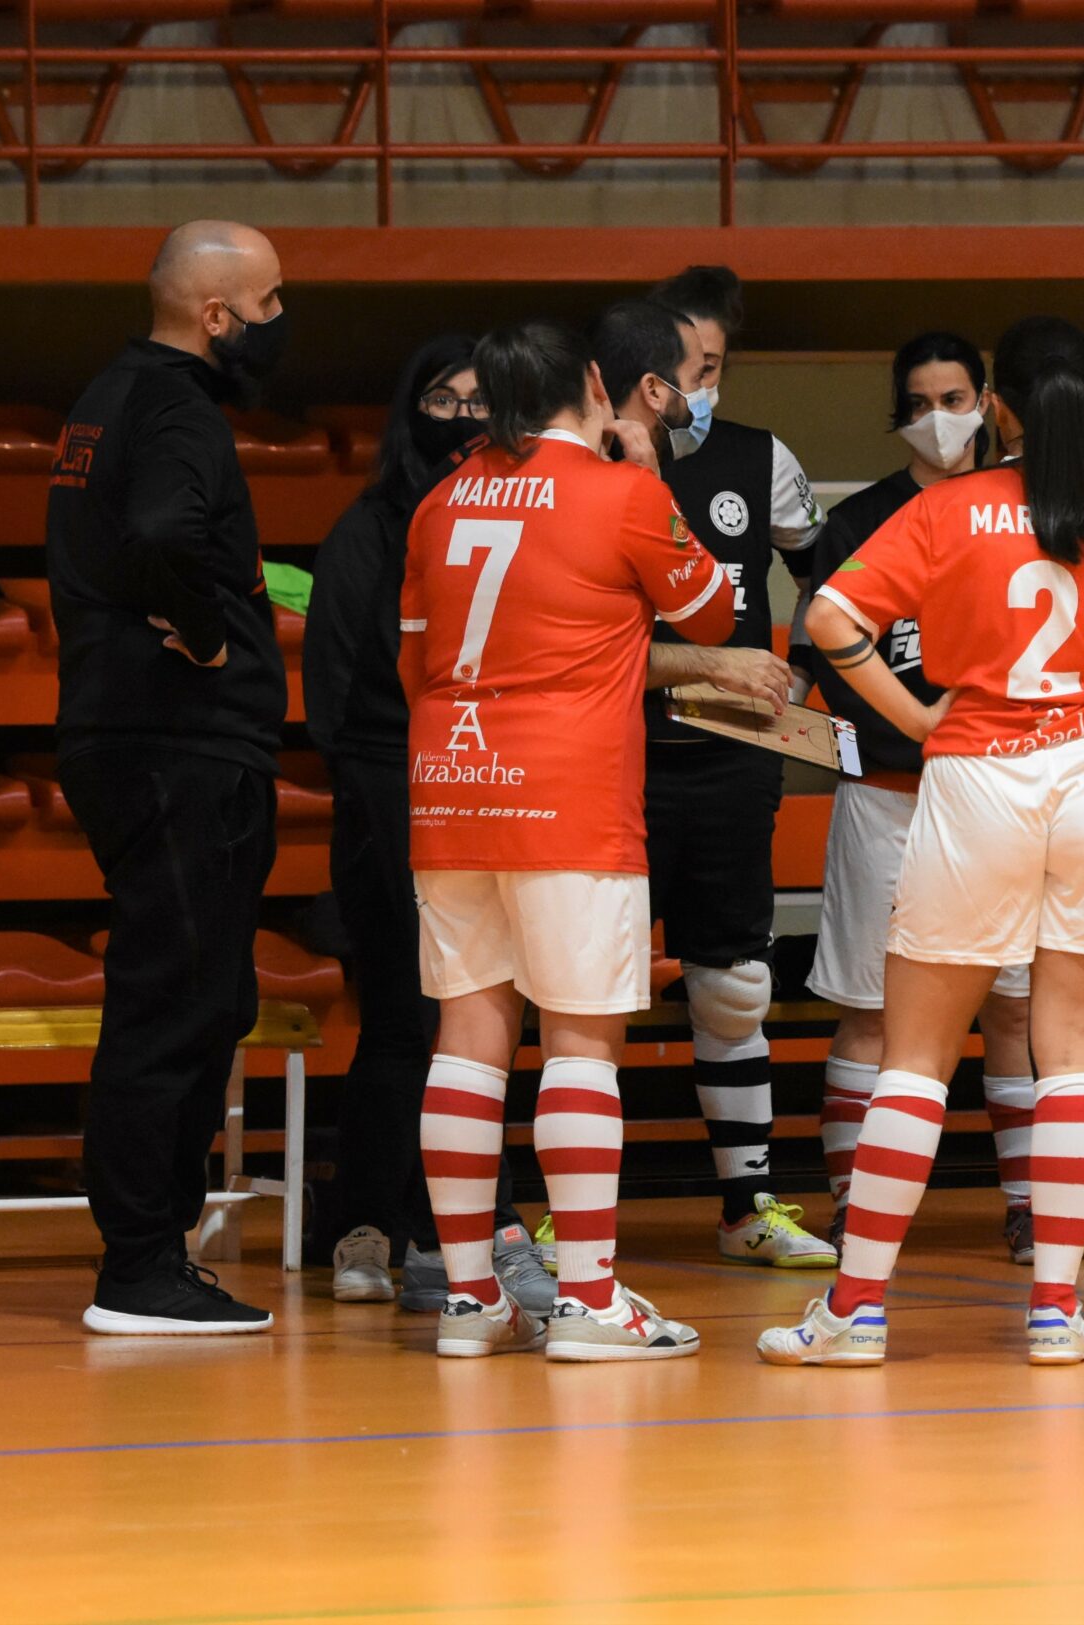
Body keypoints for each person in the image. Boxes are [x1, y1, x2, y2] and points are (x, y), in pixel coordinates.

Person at [760, 317, 1084, 1367]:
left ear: (996, 406)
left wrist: (910, 718)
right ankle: (1055, 1309)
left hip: (979, 773)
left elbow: (827, 618)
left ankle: (855, 1311)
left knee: (913, 1056)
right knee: (1073, 1056)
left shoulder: (947, 507)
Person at [404, 320, 735, 1360]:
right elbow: (717, 616)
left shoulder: (437, 500)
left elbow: (413, 665)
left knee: (468, 1036)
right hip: (571, 796)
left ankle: (470, 1299)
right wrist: (648, 472)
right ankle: (589, 1302)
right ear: (593, 385)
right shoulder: (620, 490)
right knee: (581, 1037)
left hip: (452, 788)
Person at [49, 220, 292, 1335]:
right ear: (217, 315)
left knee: (205, 993)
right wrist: (204, 632)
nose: (280, 323)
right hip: (177, 744)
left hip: (127, 736)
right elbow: (159, 531)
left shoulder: (109, 393)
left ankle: (152, 1251)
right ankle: (139, 1265)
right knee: (176, 996)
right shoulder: (181, 408)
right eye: (271, 303)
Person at [304, 335, 557, 1318]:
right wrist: (406, 813)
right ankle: (409, 1225)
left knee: (462, 1025)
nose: (460, 417)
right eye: (441, 398)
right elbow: (338, 706)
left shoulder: (527, 521)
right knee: (409, 1028)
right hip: (392, 806)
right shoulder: (368, 529)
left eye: (477, 401)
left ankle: (417, 1231)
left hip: (494, 795)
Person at [795, 332, 1041, 1259]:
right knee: (870, 1005)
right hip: (887, 791)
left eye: (955, 397)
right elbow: (815, 656)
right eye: (921, 402)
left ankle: (1027, 1201)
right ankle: (855, 1203)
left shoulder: (1022, 506)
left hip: (999, 791)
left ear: (987, 401)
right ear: (899, 412)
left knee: (1014, 1006)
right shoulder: (857, 521)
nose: (939, 418)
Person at [637, 267, 836, 1268]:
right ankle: (556, 1209)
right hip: (611, 759)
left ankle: (746, 1202)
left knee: (735, 983)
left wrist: (798, 664)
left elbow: (827, 574)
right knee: (581, 986)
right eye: (681, 370)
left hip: (729, 760)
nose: (696, 388)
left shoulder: (764, 461)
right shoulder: (593, 464)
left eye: (710, 367)